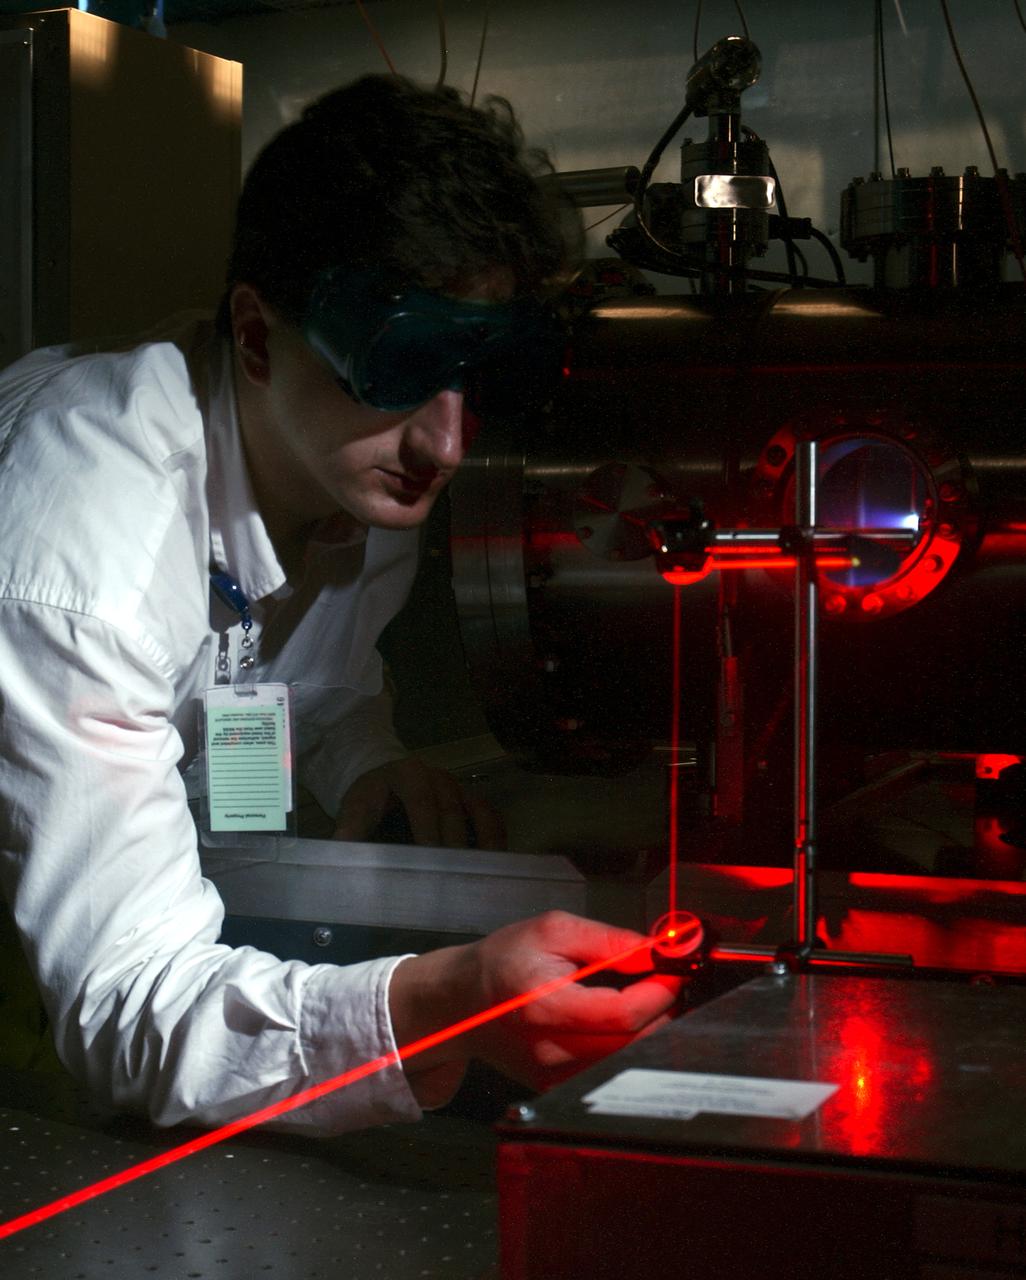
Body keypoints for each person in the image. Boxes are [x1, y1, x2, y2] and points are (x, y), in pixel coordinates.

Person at [0, 74, 680, 1130]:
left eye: (477, 371)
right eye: (403, 364)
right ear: (259, 334)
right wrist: (434, 1005)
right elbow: (124, 1002)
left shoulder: (350, 476)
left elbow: (294, 679)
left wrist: (367, 755)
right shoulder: (91, 555)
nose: (447, 444)